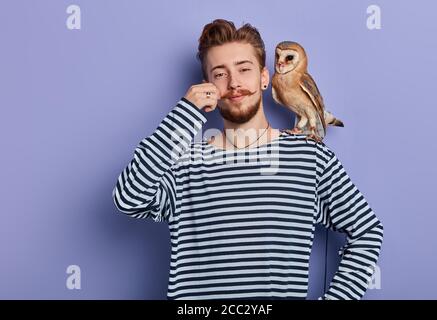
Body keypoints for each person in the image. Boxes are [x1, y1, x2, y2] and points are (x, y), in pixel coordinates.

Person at [112, 19, 383, 300]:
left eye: (244, 69)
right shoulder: (184, 161)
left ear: (265, 78)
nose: (234, 83)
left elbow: (367, 231)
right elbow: (128, 199)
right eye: (220, 74)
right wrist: (184, 113)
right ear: (208, 86)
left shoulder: (309, 157)